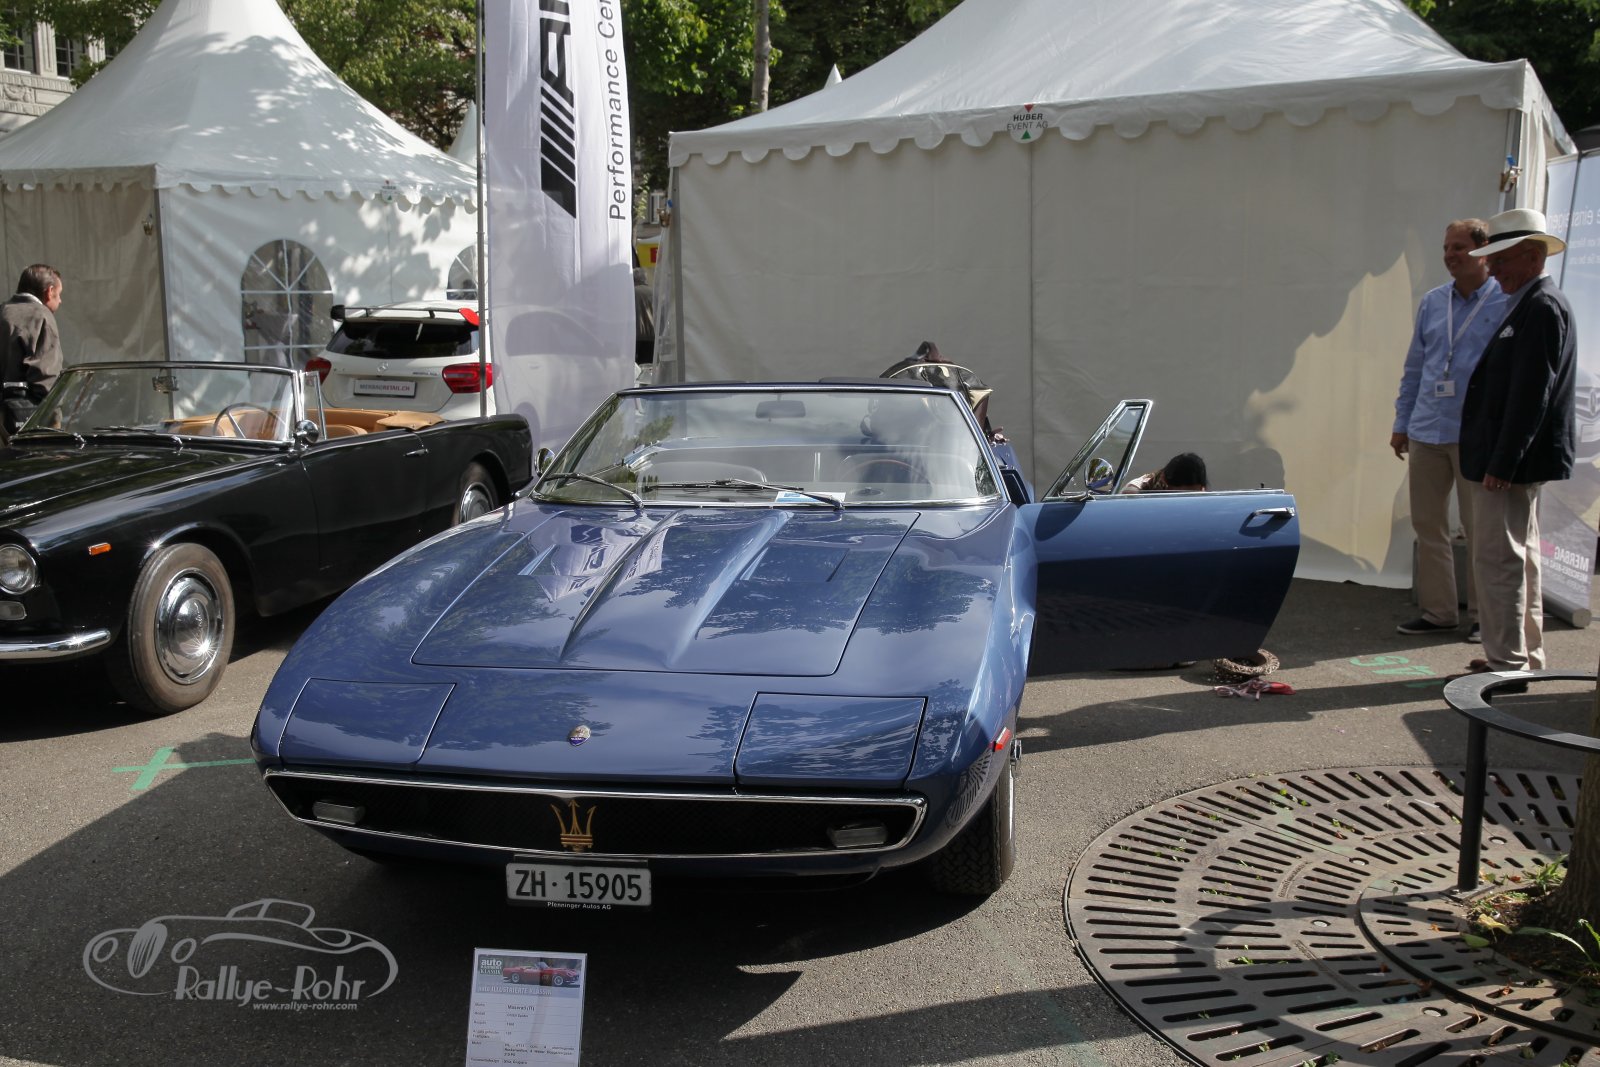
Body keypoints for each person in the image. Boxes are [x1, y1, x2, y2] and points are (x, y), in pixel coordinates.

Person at [1458, 208, 1575, 684]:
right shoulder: (1534, 302)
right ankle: (1522, 656)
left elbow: (1531, 395)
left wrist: (1503, 461)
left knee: (1499, 561)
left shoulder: (1541, 307)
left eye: (1500, 259)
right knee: (1519, 558)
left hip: (1511, 461)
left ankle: (1507, 663)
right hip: (1515, 459)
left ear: (1532, 257)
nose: (1492, 270)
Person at [1391, 219, 1505, 642]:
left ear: (1482, 250)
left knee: (1480, 530)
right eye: (1445, 248)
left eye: (1458, 247)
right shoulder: (1433, 301)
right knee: (1428, 525)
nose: (1449, 255)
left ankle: (1482, 617)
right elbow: (1415, 368)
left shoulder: (1503, 300)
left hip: (1474, 434)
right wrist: (1401, 423)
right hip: (1426, 428)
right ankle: (1438, 612)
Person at [1, 263, 64, 442]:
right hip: (26, 421)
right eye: (59, 294)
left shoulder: (2, 311)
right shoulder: (41, 315)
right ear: (49, 291)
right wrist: (55, 423)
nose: (60, 300)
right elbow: (46, 379)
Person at [1121, 452, 1208, 493]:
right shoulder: (1139, 487)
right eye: (1179, 493)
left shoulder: (1202, 494)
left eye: (1192, 493)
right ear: (1164, 480)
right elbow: (1130, 492)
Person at [633, 267, 655, 365]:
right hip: (652, 335)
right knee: (649, 365)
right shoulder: (653, 292)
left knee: (636, 367)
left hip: (636, 336)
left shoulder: (631, 292)